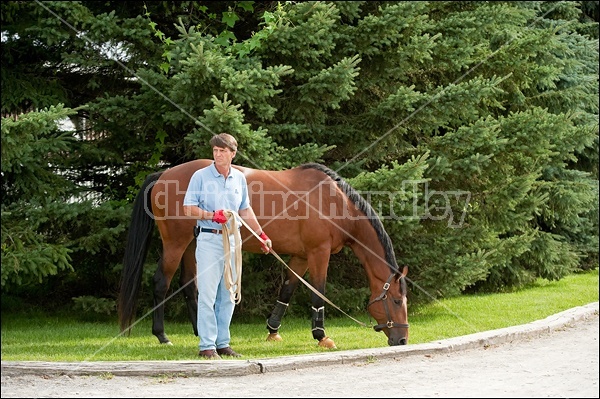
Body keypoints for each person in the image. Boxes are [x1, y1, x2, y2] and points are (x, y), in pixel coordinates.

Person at [183, 133, 272, 360]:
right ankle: (207, 346)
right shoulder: (200, 176)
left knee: (229, 293)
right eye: (215, 150)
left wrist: (261, 234)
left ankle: (223, 343)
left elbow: (245, 210)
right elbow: (188, 208)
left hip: (233, 240)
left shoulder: (239, 179)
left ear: (233, 153)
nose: (218, 154)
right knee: (207, 294)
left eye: (223, 151)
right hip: (209, 239)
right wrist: (213, 215)